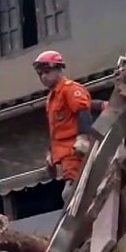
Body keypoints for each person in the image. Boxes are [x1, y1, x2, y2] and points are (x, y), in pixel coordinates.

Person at [34, 50, 94, 204]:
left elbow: (83, 112)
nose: (43, 77)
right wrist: (50, 154)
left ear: (58, 69)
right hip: (64, 155)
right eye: (40, 74)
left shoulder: (70, 89)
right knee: (70, 195)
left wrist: (83, 139)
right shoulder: (51, 98)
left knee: (70, 195)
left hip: (75, 152)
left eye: (46, 72)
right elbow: (55, 129)